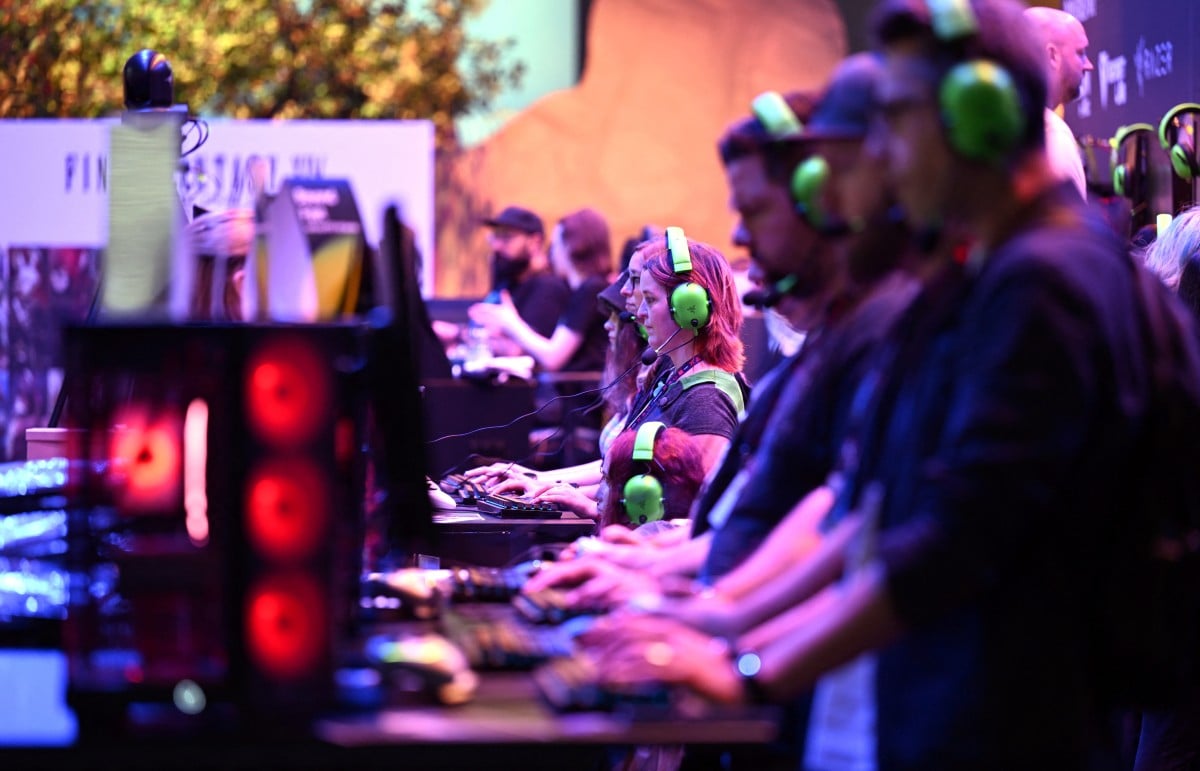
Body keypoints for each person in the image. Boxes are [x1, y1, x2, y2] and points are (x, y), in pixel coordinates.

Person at [579, 0, 1190, 767]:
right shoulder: (989, 280)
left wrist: (748, 670)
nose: (885, 161)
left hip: (997, 731)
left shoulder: (1048, 282)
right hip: (935, 713)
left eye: (897, 123)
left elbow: (953, 537)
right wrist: (718, 624)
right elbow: (863, 507)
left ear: (978, 114)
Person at [435, 205, 569, 357]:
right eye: (494, 237)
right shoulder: (507, 283)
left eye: (506, 238)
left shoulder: (547, 288)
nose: (497, 246)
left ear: (535, 241)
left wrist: (457, 334)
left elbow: (520, 351)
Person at [1025, 5, 1092, 200]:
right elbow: (1070, 228)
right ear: (1052, 56)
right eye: (1080, 53)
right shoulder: (1051, 133)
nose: (1089, 65)